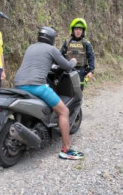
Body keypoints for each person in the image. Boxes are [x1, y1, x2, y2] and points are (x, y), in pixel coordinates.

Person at [14, 26, 84, 160]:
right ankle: (66, 149)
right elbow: (68, 66)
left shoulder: (31, 47)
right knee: (64, 111)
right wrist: (74, 61)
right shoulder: (51, 49)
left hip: (18, 84)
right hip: (36, 86)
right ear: (51, 38)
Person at [60, 18, 95, 90]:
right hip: (68, 71)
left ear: (83, 31)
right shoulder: (67, 42)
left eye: (80, 29)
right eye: (76, 29)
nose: (78, 31)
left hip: (81, 72)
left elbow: (91, 58)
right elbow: (60, 55)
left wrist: (91, 71)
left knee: (78, 93)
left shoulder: (86, 43)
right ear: (72, 30)